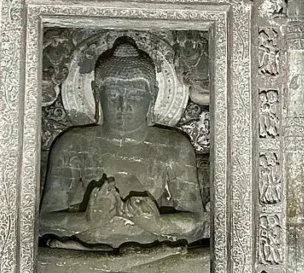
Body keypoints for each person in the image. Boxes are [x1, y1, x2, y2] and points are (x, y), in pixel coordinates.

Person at [40, 39, 206, 248]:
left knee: (203, 260)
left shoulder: (175, 146)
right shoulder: (72, 144)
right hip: (87, 251)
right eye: (113, 95)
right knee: (48, 261)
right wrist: (88, 220)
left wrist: (158, 224)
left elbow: (198, 223)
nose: (123, 105)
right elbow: (43, 223)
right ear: (96, 93)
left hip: (152, 251)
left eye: (135, 95)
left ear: (152, 96)